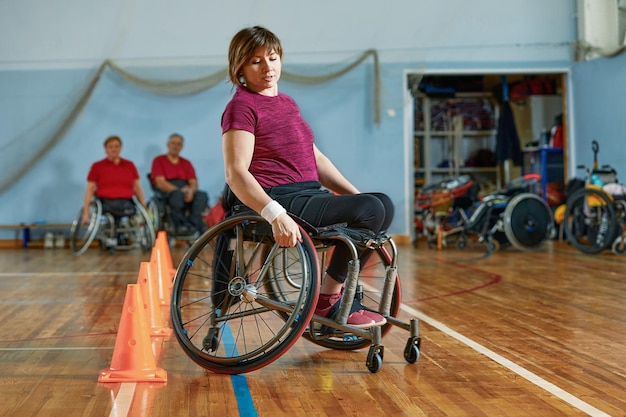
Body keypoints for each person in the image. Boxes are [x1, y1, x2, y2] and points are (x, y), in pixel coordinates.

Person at [221, 26, 394, 328]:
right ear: (240, 69)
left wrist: (358, 197)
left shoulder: (287, 103)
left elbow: (316, 159)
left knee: (382, 205)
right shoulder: (241, 106)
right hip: (280, 196)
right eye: (256, 61)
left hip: (310, 192)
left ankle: (332, 296)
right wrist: (274, 214)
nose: (268, 67)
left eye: (272, 58)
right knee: (372, 208)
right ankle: (328, 299)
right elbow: (236, 173)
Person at [82, 136, 147, 243]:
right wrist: (86, 212)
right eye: (110, 147)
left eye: (116, 146)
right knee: (111, 215)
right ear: (105, 149)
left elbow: (137, 187)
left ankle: (127, 235)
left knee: (135, 215)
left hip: (126, 202)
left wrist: (144, 206)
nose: (114, 149)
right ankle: (112, 237)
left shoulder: (129, 165)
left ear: (121, 148)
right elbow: (89, 189)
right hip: (106, 203)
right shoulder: (97, 166)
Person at [150, 133, 209, 235]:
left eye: (178, 144)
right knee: (177, 195)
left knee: (201, 196)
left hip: (185, 189)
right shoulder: (159, 160)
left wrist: (190, 191)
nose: (175, 146)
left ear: (181, 147)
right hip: (168, 191)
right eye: (173, 143)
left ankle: (192, 225)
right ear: (168, 145)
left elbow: (193, 182)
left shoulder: (186, 163)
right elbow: (160, 183)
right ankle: (179, 226)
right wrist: (180, 191)